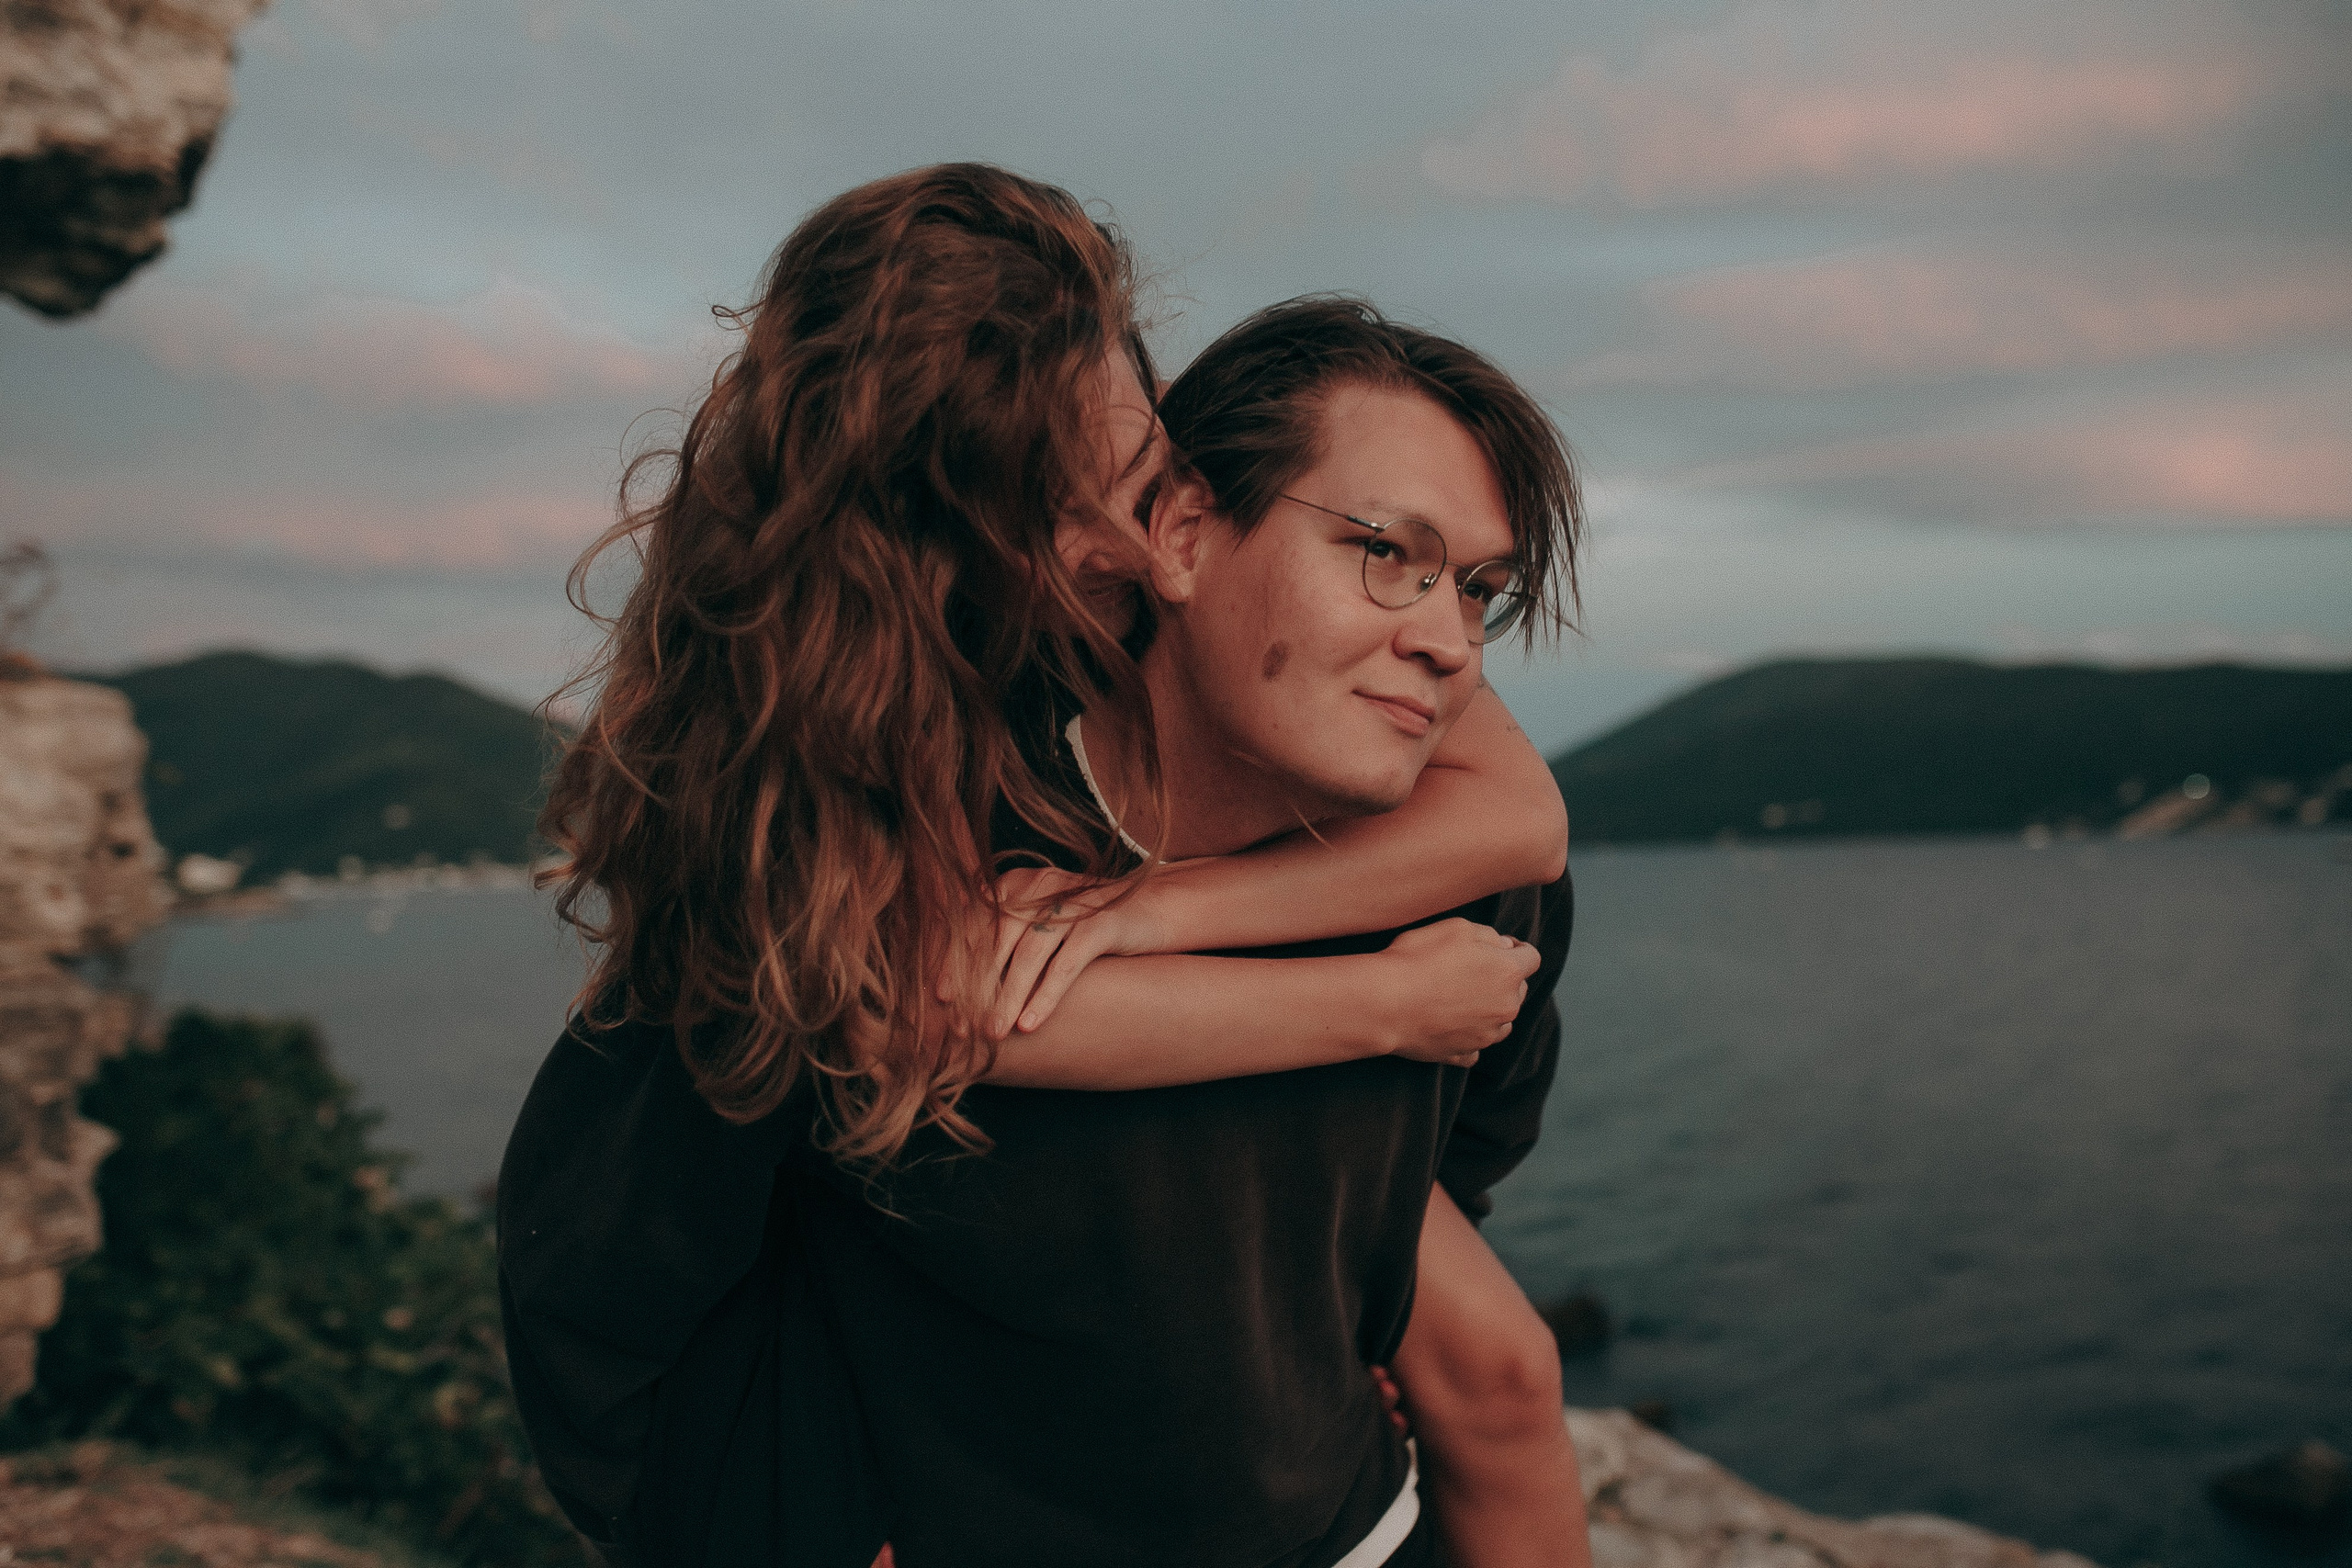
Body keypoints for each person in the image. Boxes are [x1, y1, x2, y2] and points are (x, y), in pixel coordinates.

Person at [499, 165, 1587, 1567]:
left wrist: (1341, 1289)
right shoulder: (886, 838)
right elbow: (611, 1273)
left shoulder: (1442, 837)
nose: (1448, 637)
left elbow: (1472, 1093)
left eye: (1479, 588)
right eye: (1385, 554)